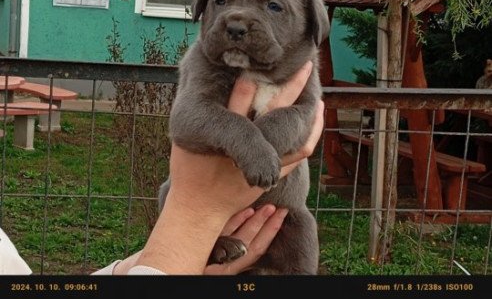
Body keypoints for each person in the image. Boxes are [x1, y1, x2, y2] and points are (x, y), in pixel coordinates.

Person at [1, 61, 324, 275]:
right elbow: (188, 119)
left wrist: (167, 257)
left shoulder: (300, 62)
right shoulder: (206, 61)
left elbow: (308, 112)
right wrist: (194, 218)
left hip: (282, 219)